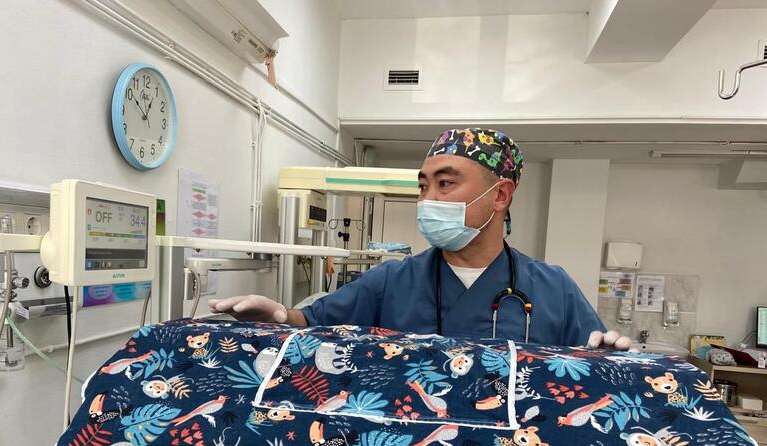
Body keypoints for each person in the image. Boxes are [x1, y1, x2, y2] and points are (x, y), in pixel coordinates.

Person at [209, 128, 629, 349]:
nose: (428, 200)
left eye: (445, 184)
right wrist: (277, 315)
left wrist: (614, 358)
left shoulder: (554, 289)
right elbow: (312, 323)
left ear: (500, 195)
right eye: (423, 186)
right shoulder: (392, 281)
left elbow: (593, 366)